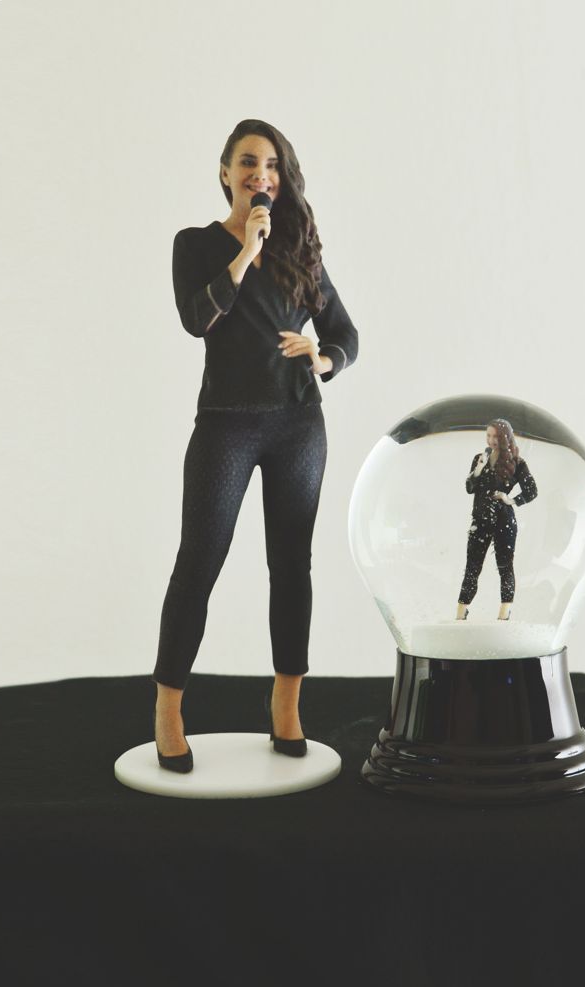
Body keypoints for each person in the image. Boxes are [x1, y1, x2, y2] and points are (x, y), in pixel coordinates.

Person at [151, 119, 358, 771]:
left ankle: (287, 706)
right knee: (199, 562)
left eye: (270, 165)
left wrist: (322, 358)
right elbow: (197, 319)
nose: (259, 174)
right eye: (246, 162)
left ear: (281, 178)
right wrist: (244, 251)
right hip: (227, 425)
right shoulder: (196, 245)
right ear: (225, 173)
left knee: (292, 565)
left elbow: (345, 334)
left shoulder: (299, 254)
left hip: (298, 425)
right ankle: (168, 710)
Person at [456, 419, 538, 622]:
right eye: (488, 435)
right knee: (472, 567)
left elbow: (531, 490)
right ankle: (461, 612)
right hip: (480, 519)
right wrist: (478, 469)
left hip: (504, 520)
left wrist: (511, 499)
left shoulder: (517, 462)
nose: (491, 440)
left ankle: (504, 612)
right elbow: (469, 488)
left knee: (505, 566)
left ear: (505, 438)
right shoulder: (479, 458)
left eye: (495, 436)